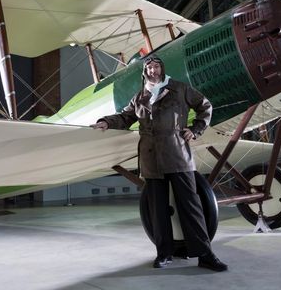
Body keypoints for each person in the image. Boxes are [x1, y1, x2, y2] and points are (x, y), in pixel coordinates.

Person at [91, 55, 227, 271]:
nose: (153, 70)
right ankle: (164, 254)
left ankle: (205, 254)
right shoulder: (140, 97)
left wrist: (196, 129)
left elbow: (205, 105)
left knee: (190, 205)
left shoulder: (180, 89)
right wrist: (106, 122)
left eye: (156, 66)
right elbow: (125, 117)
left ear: (162, 68)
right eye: (149, 67)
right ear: (144, 72)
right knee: (158, 209)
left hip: (177, 153)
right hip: (150, 157)